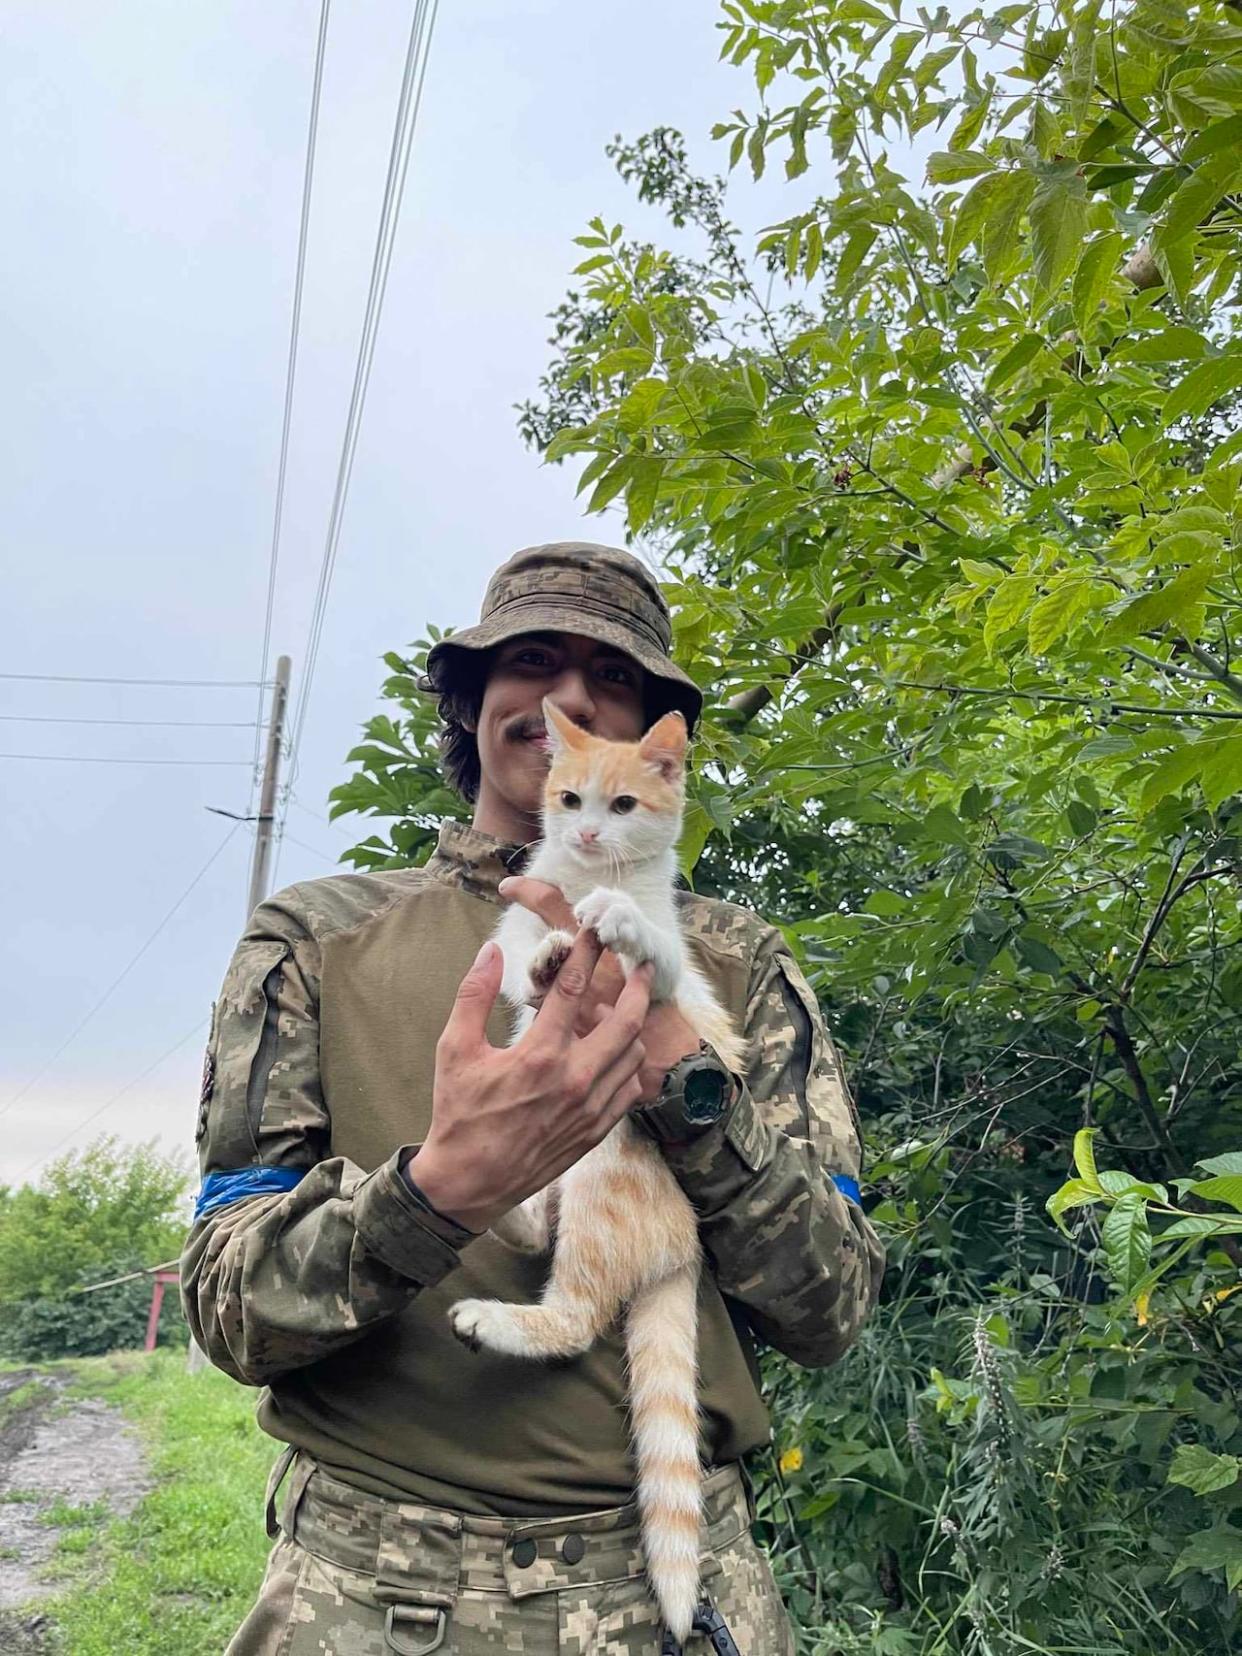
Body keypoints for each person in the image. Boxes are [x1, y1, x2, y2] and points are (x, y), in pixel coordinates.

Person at [181, 540, 885, 1655]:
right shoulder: (315, 940)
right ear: (471, 703)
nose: (569, 694)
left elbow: (832, 1306)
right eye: (533, 660)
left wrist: (686, 1091)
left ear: (653, 735)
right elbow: (229, 1308)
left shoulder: (742, 961)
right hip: (364, 1594)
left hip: (676, 1591)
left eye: (615, 679)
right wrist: (439, 1190)